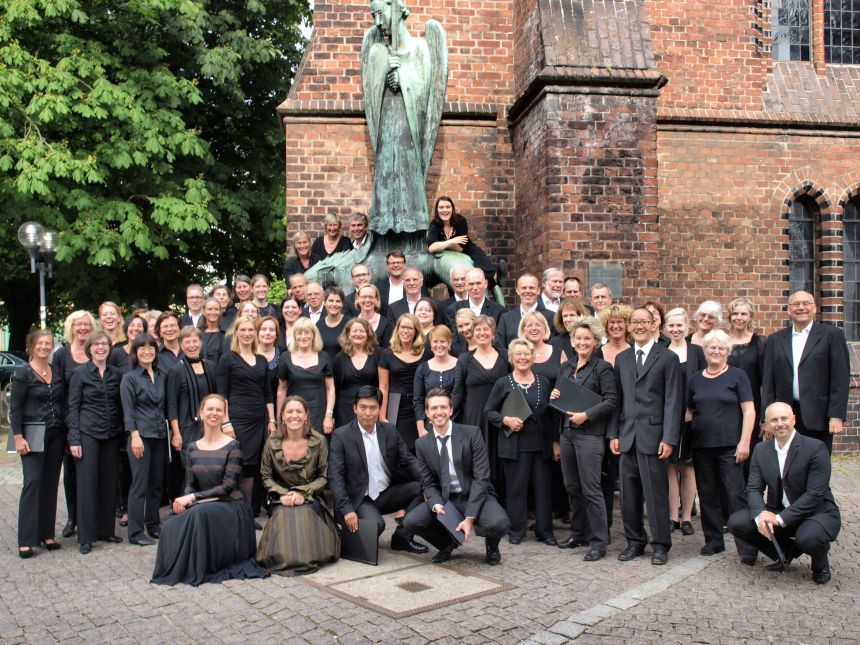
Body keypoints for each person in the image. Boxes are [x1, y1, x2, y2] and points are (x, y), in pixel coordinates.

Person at [152, 394, 269, 586]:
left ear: (224, 415)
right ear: (201, 412)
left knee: (197, 513)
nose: (214, 413)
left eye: (219, 410)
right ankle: (181, 567)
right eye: (210, 409)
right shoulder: (192, 448)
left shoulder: (233, 446)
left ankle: (198, 566)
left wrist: (193, 498)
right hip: (204, 505)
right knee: (171, 524)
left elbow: (227, 487)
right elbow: (190, 483)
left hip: (232, 507)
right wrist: (187, 500)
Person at [727, 402, 841, 584]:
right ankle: (786, 551)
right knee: (737, 522)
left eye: (784, 418)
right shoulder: (761, 450)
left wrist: (778, 519)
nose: (780, 423)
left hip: (817, 513)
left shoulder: (816, 448)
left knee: (809, 538)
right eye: (774, 420)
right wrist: (760, 517)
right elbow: (754, 488)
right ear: (766, 425)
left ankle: (820, 563)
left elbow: (815, 495)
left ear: (794, 420)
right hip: (779, 509)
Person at [608, 307, 682, 566]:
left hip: (654, 435)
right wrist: (613, 433)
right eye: (635, 322)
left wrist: (669, 437)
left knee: (655, 493)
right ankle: (634, 541)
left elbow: (673, 400)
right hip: (627, 436)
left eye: (644, 322)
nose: (639, 326)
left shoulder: (668, 357)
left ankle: (661, 544)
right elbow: (618, 399)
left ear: (654, 326)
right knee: (629, 495)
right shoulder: (623, 359)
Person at [403, 388, 510, 564]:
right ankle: (447, 544)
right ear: (427, 413)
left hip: (476, 494)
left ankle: (491, 546)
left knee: (499, 523)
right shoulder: (422, 444)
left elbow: (481, 477)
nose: (439, 412)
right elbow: (428, 483)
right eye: (434, 408)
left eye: (443, 407)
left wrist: (469, 517)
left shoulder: (472, 434)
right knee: (411, 522)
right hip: (447, 499)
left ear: (451, 410)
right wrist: (436, 503)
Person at [328, 386, 428, 554]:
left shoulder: (389, 430)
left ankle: (402, 538)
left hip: (386, 493)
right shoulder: (341, 436)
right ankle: (346, 535)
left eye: (373, 408)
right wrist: (347, 510)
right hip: (361, 498)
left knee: (422, 489)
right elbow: (335, 476)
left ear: (380, 409)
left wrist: (430, 484)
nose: (368, 413)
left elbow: (410, 461)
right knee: (376, 526)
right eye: (363, 407)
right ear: (355, 408)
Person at [686, 330, 757, 560]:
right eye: (711, 348)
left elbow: (749, 411)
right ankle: (713, 541)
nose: (716, 352)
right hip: (702, 446)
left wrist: (744, 442)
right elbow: (689, 412)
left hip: (730, 446)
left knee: (735, 495)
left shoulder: (737, 376)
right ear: (705, 351)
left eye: (721, 348)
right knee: (707, 495)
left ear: (727, 352)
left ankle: (747, 547)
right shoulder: (695, 379)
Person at [550, 318, 617, 560]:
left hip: (590, 435)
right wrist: (555, 394)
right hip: (567, 433)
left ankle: (598, 542)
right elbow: (560, 398)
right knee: (572, 487)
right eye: (578, 338)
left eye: (587, 339)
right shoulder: (566, 367)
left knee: (591, 489)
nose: (582, 342)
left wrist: (586, 415)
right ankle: (578, 533)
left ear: (596, 342)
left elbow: (611, 401)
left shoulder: (602, 368)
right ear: (572, 340)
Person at [256, 396, 340, 575]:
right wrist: (283, 494)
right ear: (282, 417)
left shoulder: (319, 441)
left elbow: (324, 477)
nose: (294, 416)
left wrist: (302, 493)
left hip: (311, 497)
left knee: (304, 512)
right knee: (282, 513)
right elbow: (266, 476)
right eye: (290, 412)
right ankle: (280, 558)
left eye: (299, 411)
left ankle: (306, 558)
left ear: (306, 415)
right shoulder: (271, 442)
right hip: (279, 498)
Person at [485, 339, 556, 546]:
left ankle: (545, 531)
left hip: (541, 444)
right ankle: (516, 530)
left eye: (527, 354)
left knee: (543, 489)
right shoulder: (503, 383)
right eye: (518, 354)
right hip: (514, 445)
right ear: (511, 358)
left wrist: (555, 442)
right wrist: (505, 420)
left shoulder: (543, 382)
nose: (523, 358)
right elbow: (489, 411)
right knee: (516, 489)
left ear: (533, 358)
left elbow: (551, 414)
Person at [761, 290, 849, 455]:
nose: (801, 308)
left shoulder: (831, 335)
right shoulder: (776, 339)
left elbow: (840, 378)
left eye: (806, 303)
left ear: (814, 308)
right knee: (785, 464)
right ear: (788, 310)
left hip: (818, 415)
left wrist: (836, 415)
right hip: (784, 415)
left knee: (816, 464)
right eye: (796, 304)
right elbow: (768, 382)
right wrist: (766, 419)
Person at [67, 330, 125, 554]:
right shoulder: (80, 373)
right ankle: (86, 536)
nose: (101, 347)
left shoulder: (116, 374)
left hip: (111, 434)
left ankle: (106, 530)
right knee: (87, 484)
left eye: (105, 344)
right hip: (87, 433)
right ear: (89, 348)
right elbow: (73, 407)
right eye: (96, 344)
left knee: (109, 482)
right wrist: (74, 438)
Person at [11, 329, 65, 558]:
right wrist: (18, 437)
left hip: (56, 432)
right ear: (31, 347)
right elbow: (15, 408)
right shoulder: (24, 374)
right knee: (32, 483)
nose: (44, 347)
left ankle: (46, 533)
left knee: (50, 483)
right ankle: (26, 539)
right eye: (40, 343)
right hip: (32, 432)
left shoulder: (56, 371)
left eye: (48, 343)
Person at [215, 316, 275, 505]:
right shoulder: (227, 359)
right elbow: (221, 394)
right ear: (236, 333)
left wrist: (271, 420)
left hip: (258, 420)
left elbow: (268, 394)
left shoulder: (261, 360)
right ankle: (233, 510)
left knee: (252, 467)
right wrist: (225, 422)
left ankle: (247, 511)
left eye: (251, 330)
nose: (247, 334)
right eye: (243, 330)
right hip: (237, 418)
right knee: (237, 464)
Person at [452, 315, 509, 497]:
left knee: (500, 461)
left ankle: (500, 504)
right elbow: (458, 392)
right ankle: (478, 503)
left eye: (486, 330)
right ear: (473, 334)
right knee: (477, 462)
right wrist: (449, 419)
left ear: (493, 334)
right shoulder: (464, 360)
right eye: (478, 329)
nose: (482, 333)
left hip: (500, 417)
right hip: (473, 418)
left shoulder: (506, 356)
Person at [120, 333, 168, 547]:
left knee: (156, 483)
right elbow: (128, 411)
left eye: (151, 348)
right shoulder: (130, 377)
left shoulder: (161, 374)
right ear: (135, 352)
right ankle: (136, 531)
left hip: (159, 435)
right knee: (139, 484)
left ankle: (153, 524)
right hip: (140, 436)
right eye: (142, 348)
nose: (147, 351)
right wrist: (134, 435)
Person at [53, 309, 97, 539]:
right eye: (78, 325)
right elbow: (58, 392)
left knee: (93, 471)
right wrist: (69, 427)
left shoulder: (97, 351)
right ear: (71, 328)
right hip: (71, 422)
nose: (82, 328)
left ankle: (93, 517)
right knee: (71, 472)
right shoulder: (62, 355)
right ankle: (73, 518)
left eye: (86, 325)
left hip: (94, 421)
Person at [663, 308, 705, 536]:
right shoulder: (661, 351)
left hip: (692, 418)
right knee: (670, 467)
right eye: (671, 325)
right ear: (665, 328)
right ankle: (672, 515)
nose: (676, 329)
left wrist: (693, 408)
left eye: (680, 325)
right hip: (668, 418)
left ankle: (687, 516)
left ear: (687, 327)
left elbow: (703, 382)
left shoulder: (697, 352)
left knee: (688, 468)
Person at [167, 326, 217, 472]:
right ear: (181, 345)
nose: (192, 346)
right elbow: (172, 404)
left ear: (201, 342)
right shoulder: (176, 371)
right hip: (187, 429)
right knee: (192, 470)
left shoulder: (211, 366)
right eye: (187, 342)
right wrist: (176, 433)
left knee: (211, 469)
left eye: (195, 341)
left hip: (210, 426)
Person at [277, 318, 335, 436]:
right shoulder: (285, 357)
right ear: (294, 336)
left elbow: (331, 389)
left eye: (307, 332)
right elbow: (281, 390)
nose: (303, 337)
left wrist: (329, 415)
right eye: (299, 333)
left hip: (318, 413)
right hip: (293, 414)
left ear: (313, 335)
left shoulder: (324, 356)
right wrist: (280, 418)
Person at [426, 196, 501, 288]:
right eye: (441, 207)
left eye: (448, 207)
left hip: (466, 248)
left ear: (452, 209)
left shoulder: (460, 221)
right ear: (437, 210)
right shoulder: (435, 224)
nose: (445, 210)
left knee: (478, 254)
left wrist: (442, 244)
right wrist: (451, 242)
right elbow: (431, 247)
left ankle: (494, 277)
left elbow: (459, 247)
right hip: (447, 255)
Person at [379, 314, 425, 450]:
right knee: (396, 447)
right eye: (403, 327)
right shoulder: (387, 354)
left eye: (410, 328)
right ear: (397, 329)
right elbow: (384, 387)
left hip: (419, 404)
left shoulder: (426, 352)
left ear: (416, 331)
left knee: (420, 447)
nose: (406, 331)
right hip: (395, 405)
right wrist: (382, 416)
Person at [726, 297, 766, 438]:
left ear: (750, 317)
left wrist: (764, 415)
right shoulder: (722, 341)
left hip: (753, 404)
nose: (739, 318)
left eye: (743, 314)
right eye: (735, 314)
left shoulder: (760, 343)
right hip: (726, 405)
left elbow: (765, 381)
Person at [332, 318, 381, 427]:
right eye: (354, 331)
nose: (358, 334)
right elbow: (335, 389)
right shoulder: (339, 358)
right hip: (345, 411)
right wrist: (332, 415)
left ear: (368, 334)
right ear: (348, 334)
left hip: (370, 409)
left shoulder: (378, 354)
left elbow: (383, 385)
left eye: (362, 331)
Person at [413, 325, 457, 435]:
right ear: (431, 345)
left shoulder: (460, 365)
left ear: (449, 343)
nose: (439, 345)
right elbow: (418, 400)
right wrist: (421, 428)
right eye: (435, 342)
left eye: (443, 341)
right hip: (430, 424)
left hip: (456, 422)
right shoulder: (423, 368)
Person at [496, 273, 553, 348]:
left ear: (538, 290)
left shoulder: (551, 317)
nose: (528, 291)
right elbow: (500, 347)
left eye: (531, 288)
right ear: (517, 291)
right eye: (523, 288)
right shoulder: (506, 318)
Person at [356, 283, 393, 347]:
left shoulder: (386, 324)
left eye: (371, 297)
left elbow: (387, 351)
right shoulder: (351, 323)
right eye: (364, 297)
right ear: (358, 299)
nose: (367, 300)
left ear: (377, 300)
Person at [316, 286, 348, 358]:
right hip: (325, 367)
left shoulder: (349, 324)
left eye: (338, 301)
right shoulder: (319, 324)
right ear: (324, 302)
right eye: (331, 301)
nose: (334, 304)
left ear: (342, 304)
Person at [257, 316, 282, 402]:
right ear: (257, 333)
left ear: (276, 334)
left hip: (275, 404)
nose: (267, 333)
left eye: (271, 330)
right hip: (251, 405)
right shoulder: (248, 353)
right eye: (263, 329)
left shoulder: (283, 355)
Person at [375, 250, 407, 314]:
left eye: (399, 262)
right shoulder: (378, 287)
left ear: (404, 265)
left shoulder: (414, 285)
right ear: (387, 266)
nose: (395, 265)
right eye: (392, 263)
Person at [155, 311, 182, 377]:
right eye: (165, 326)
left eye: (172, 325)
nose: (169, 329)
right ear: (159, 331)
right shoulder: (155, 355)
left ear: (179, 328)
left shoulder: (191, 350)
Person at [200, 297, 225, 364]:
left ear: (220, 312)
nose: (213, 312)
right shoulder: (197, 333)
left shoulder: (226, 334)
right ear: (203, 312)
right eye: (210, 309)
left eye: (216, 309)